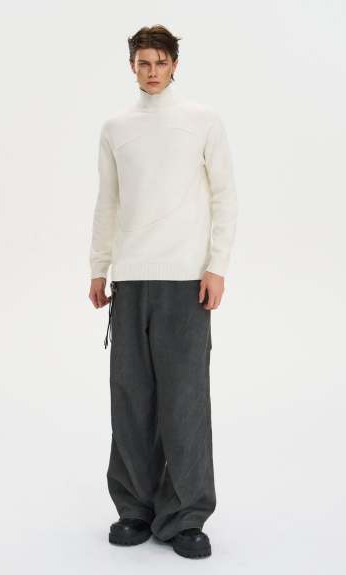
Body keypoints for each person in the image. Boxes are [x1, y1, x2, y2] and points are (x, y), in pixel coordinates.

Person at [88, 24, 237, 559]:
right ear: (132, 66)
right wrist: (99, 268)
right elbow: (108, 201)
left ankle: (186, 516)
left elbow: (224, 196)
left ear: (174, 65)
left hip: (185, 281)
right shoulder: (116, 128)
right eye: (143, 63)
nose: (152, 71)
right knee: (131, 398)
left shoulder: (202, 121)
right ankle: (135, 508)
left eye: (160, 62)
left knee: (184, 401)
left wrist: (216, 267)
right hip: (130, 279)